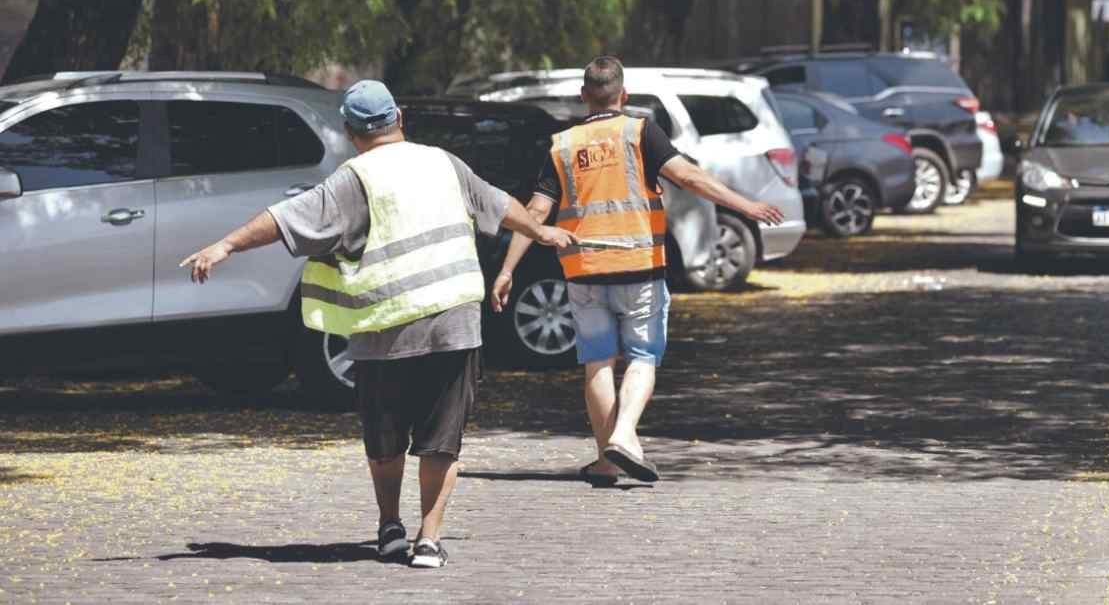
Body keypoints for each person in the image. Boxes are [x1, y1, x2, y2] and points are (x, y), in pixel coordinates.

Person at [180, 80, 576, 568]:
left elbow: (286, 219)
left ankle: (391, 527)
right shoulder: (443, 162)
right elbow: (499, 203)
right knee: (441, 440)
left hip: (386, 327)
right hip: (454, 319)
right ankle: (429, 540)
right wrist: (541, 230)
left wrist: (226, 245)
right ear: (400, 117)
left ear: (350, 132)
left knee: (385, 440)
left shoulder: (356, 177)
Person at [489, 56, 784, 485]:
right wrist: (746, 206)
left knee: (597, 363)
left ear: (583, 97)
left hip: (584, 271)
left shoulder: (562, 145)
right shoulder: (641, 132)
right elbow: (688, 177)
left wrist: (507, 269)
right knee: (643, 357)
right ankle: (625, 435)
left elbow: (535, 212)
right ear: (623, 96)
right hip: (639, 267)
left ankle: (606, 460)